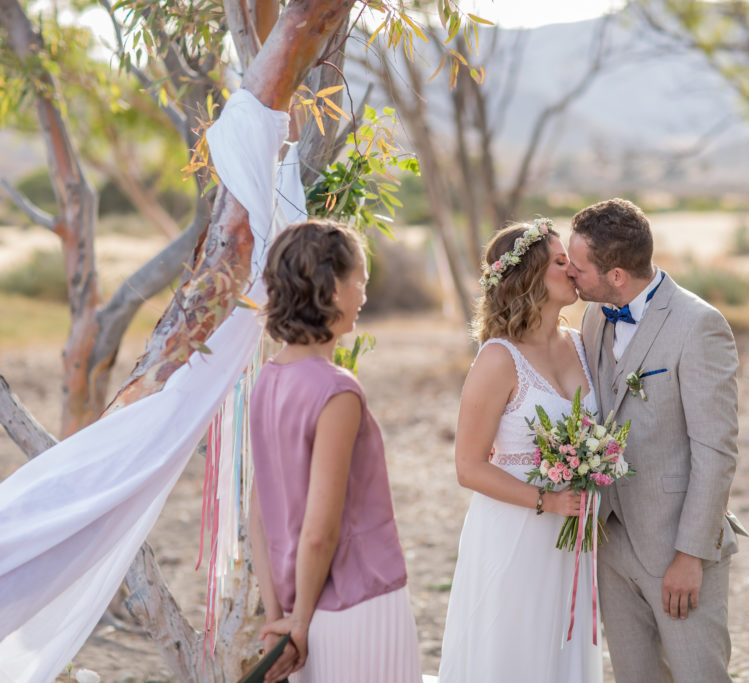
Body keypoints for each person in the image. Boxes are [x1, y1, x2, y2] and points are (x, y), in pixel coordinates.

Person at [566, 198, 742, 683]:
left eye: (578, 268)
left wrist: (690, 556)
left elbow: (716, 450)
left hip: (676, 548)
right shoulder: (596, 317)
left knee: (698, 675)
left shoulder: (699, 326)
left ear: (617, 274)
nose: (570, 275)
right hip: (611, 540)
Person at [247, 220, 420, 683]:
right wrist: (299, 622)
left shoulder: (267, 379)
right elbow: (320, 531)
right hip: (357, 601)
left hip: (296, 609)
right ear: (332, 287)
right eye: (360, 279)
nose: (364, 294)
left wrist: (280, 618)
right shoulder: (337, 391)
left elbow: (258, 514)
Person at [438, 219, 604, 683]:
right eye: (559, 260)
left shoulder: (583, 343)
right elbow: (468, 467)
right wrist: (546, 501)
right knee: (514, 652)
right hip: (516, 530)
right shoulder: (497, 358)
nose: (572, 269)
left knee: (561, 653)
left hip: (573, 532)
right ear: (530, 275)